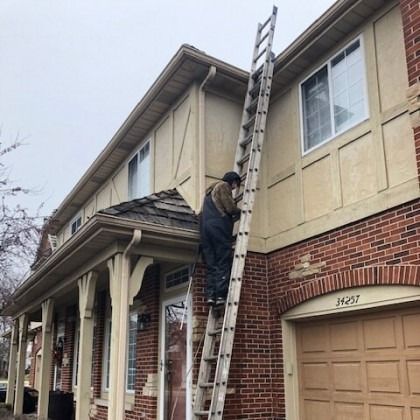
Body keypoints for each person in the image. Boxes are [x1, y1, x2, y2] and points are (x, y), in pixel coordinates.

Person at [200, 171, 241, 306]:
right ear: (231, 180)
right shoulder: (223, 186)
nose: (235, 187)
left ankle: (211, 296)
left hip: (205, 231)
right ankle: (221, 296)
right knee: (223, 260)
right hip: (218, 227)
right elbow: (229, 207)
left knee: (211, 264)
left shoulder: (208, 193)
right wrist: (239, 212)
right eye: (235, 184)